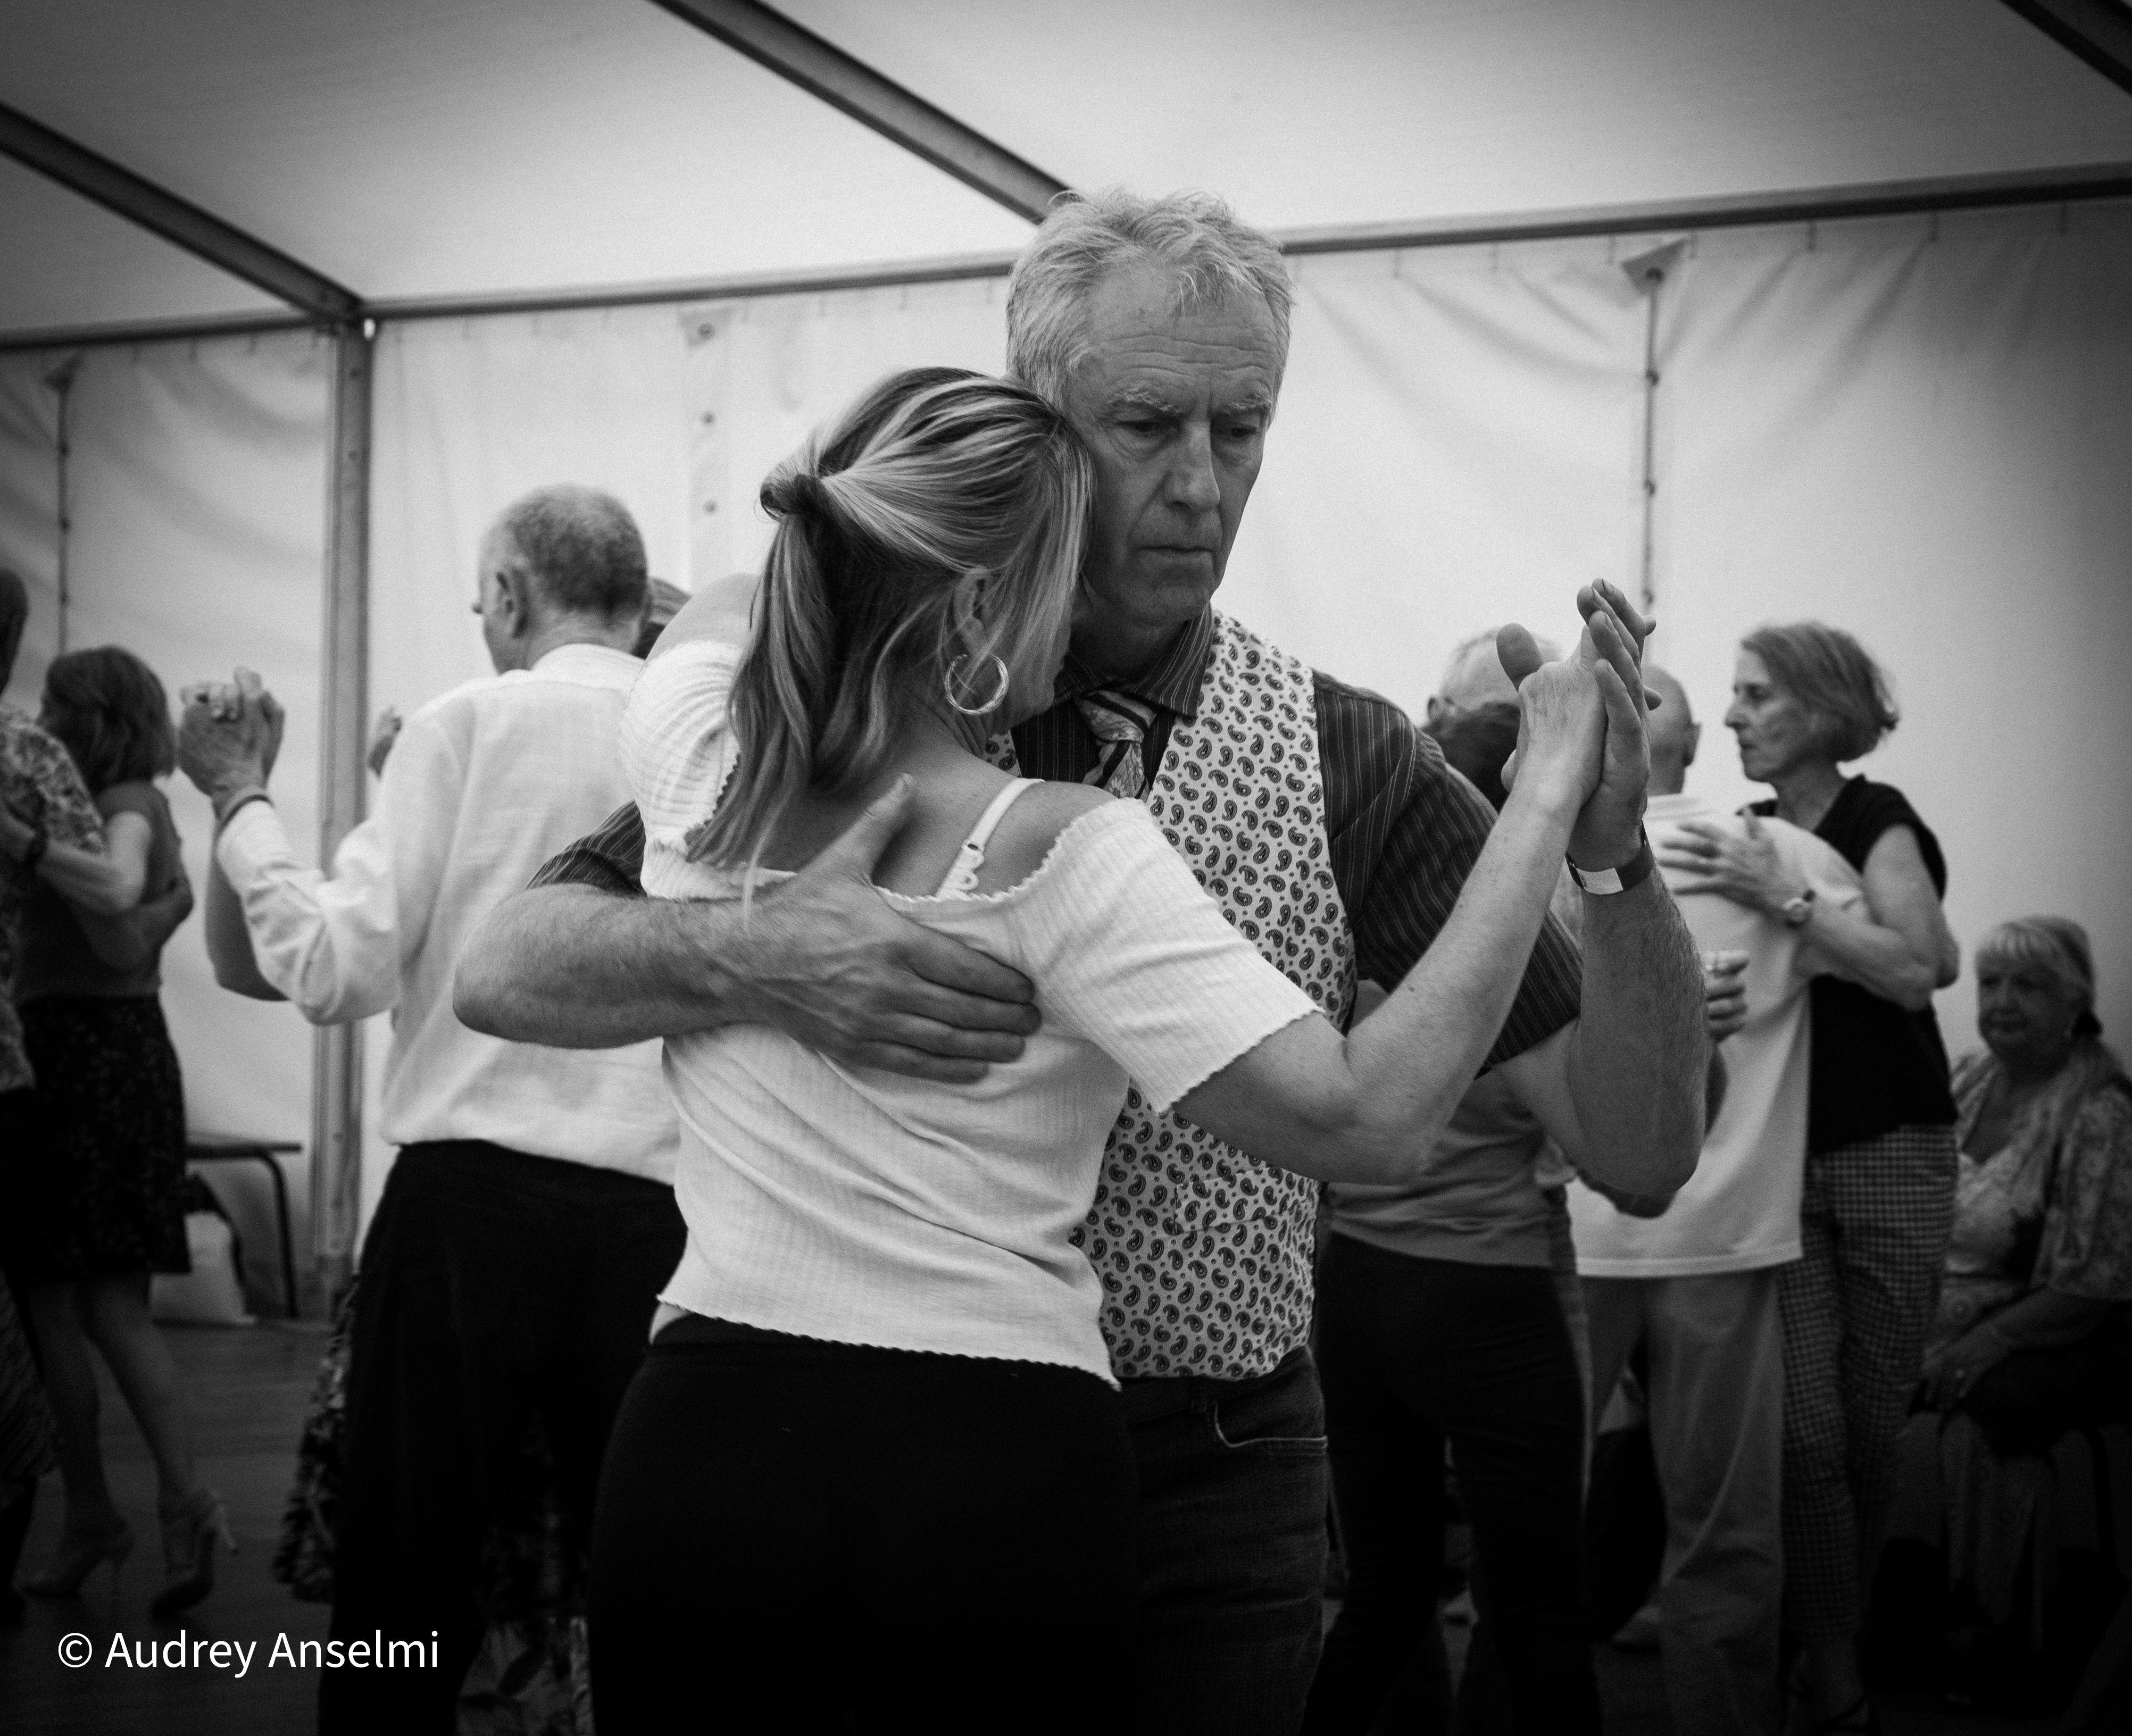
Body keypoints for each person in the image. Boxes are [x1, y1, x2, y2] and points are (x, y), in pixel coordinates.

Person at [457, 189, 1712, 1735]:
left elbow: (1641, 1151)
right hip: (857, 1424)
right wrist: (751, 956)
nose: (1201, 484)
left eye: (1241, 430)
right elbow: (510, 964)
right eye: (1146, 425)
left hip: (1215, 1475)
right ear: (1031, 413)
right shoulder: (842, 709)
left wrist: (1613, 853)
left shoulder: (1347, 756)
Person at [177, 485, 681, 1736]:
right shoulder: (707, 738)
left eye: (481, 602)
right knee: (651, 1582)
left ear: (509, 596)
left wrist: (243, 800)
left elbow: (328, 970)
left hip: (470, 1217)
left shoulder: (462, 728)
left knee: (407, 1576)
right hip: (665, 1223)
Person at [1663, 621, 1961, 1732]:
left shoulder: (1874, 819)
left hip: (1891, 1144)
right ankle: (1832, 1664)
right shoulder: (1734, 833)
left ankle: (1824, 1642)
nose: (1731, 717)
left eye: (1755, 696)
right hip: (1773, 1159)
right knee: (1806, 1434)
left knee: (1874, 1426)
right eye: (1732, 697)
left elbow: (1923, 966)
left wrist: (1787, 900)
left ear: (1821, 710)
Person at [1576, 666, 1865, 1736]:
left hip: (1712, 1233)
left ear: (1695, 735)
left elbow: (1914, 964)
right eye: (1613, 692)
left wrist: (1787, 903)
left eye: (1653, 694)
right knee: (1679, 1532)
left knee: (1722, 1534)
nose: (1628, 701)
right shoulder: (1535, 847)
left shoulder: (1776, 855)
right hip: (1577, 1234)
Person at [0, 645, 210, 1616]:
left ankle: (103, 1511)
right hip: (126, 1057)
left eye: (54, 702)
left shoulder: (118, 802)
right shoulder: (134, 801)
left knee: (62, 1310)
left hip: (72, 1060)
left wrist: (28, 846)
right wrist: (175, 902)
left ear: (92, 715)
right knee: (109, 1308)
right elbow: (147, 912)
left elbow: (119, 911)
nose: (39, 715)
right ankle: (177, 1507)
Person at [1906, 919, 2132, 1690]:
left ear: (2076, 1004)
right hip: (1938, 1318)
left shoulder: (2100, 1110)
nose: (2002, 1001)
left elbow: (2091, 1286)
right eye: (1992, 982)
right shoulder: (1968, 1080)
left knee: (1988, 1405)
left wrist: (1979, 1346)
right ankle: (1850, 1620)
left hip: (2056, 1328)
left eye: (2028, 985)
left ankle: (2000, 1641)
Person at [0, 574, 108, 1621]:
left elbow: (124, 900)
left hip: (49, 1060)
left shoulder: (33, 760)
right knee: (59, 1314)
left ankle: (83, 1512)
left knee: (66, 1313)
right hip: (26, 1063)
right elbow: (122, 895)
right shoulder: (34, 760)